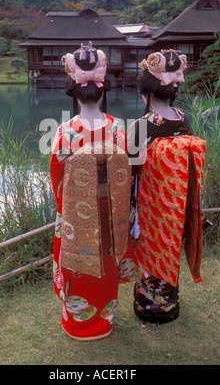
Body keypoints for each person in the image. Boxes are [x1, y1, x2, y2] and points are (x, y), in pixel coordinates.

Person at [50, 42, 142, 340]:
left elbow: (57, 175)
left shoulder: (65, 131)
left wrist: (66, 203)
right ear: (102, 91)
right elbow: (126, 172)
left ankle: (77, 323)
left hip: (77, 212)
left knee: (78, 264)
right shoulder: (117, 129)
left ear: (73, 93)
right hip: (109, 209)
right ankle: (104, 320)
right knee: (107, 260)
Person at [128, 49, 208, 324]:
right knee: (170, 247)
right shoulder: (183, 119)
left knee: (150, 252)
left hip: (150, 205)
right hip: (177, 202)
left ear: (146, 93)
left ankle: (148, 307)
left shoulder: (141, 125)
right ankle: (169, 305)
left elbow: (130, 172)